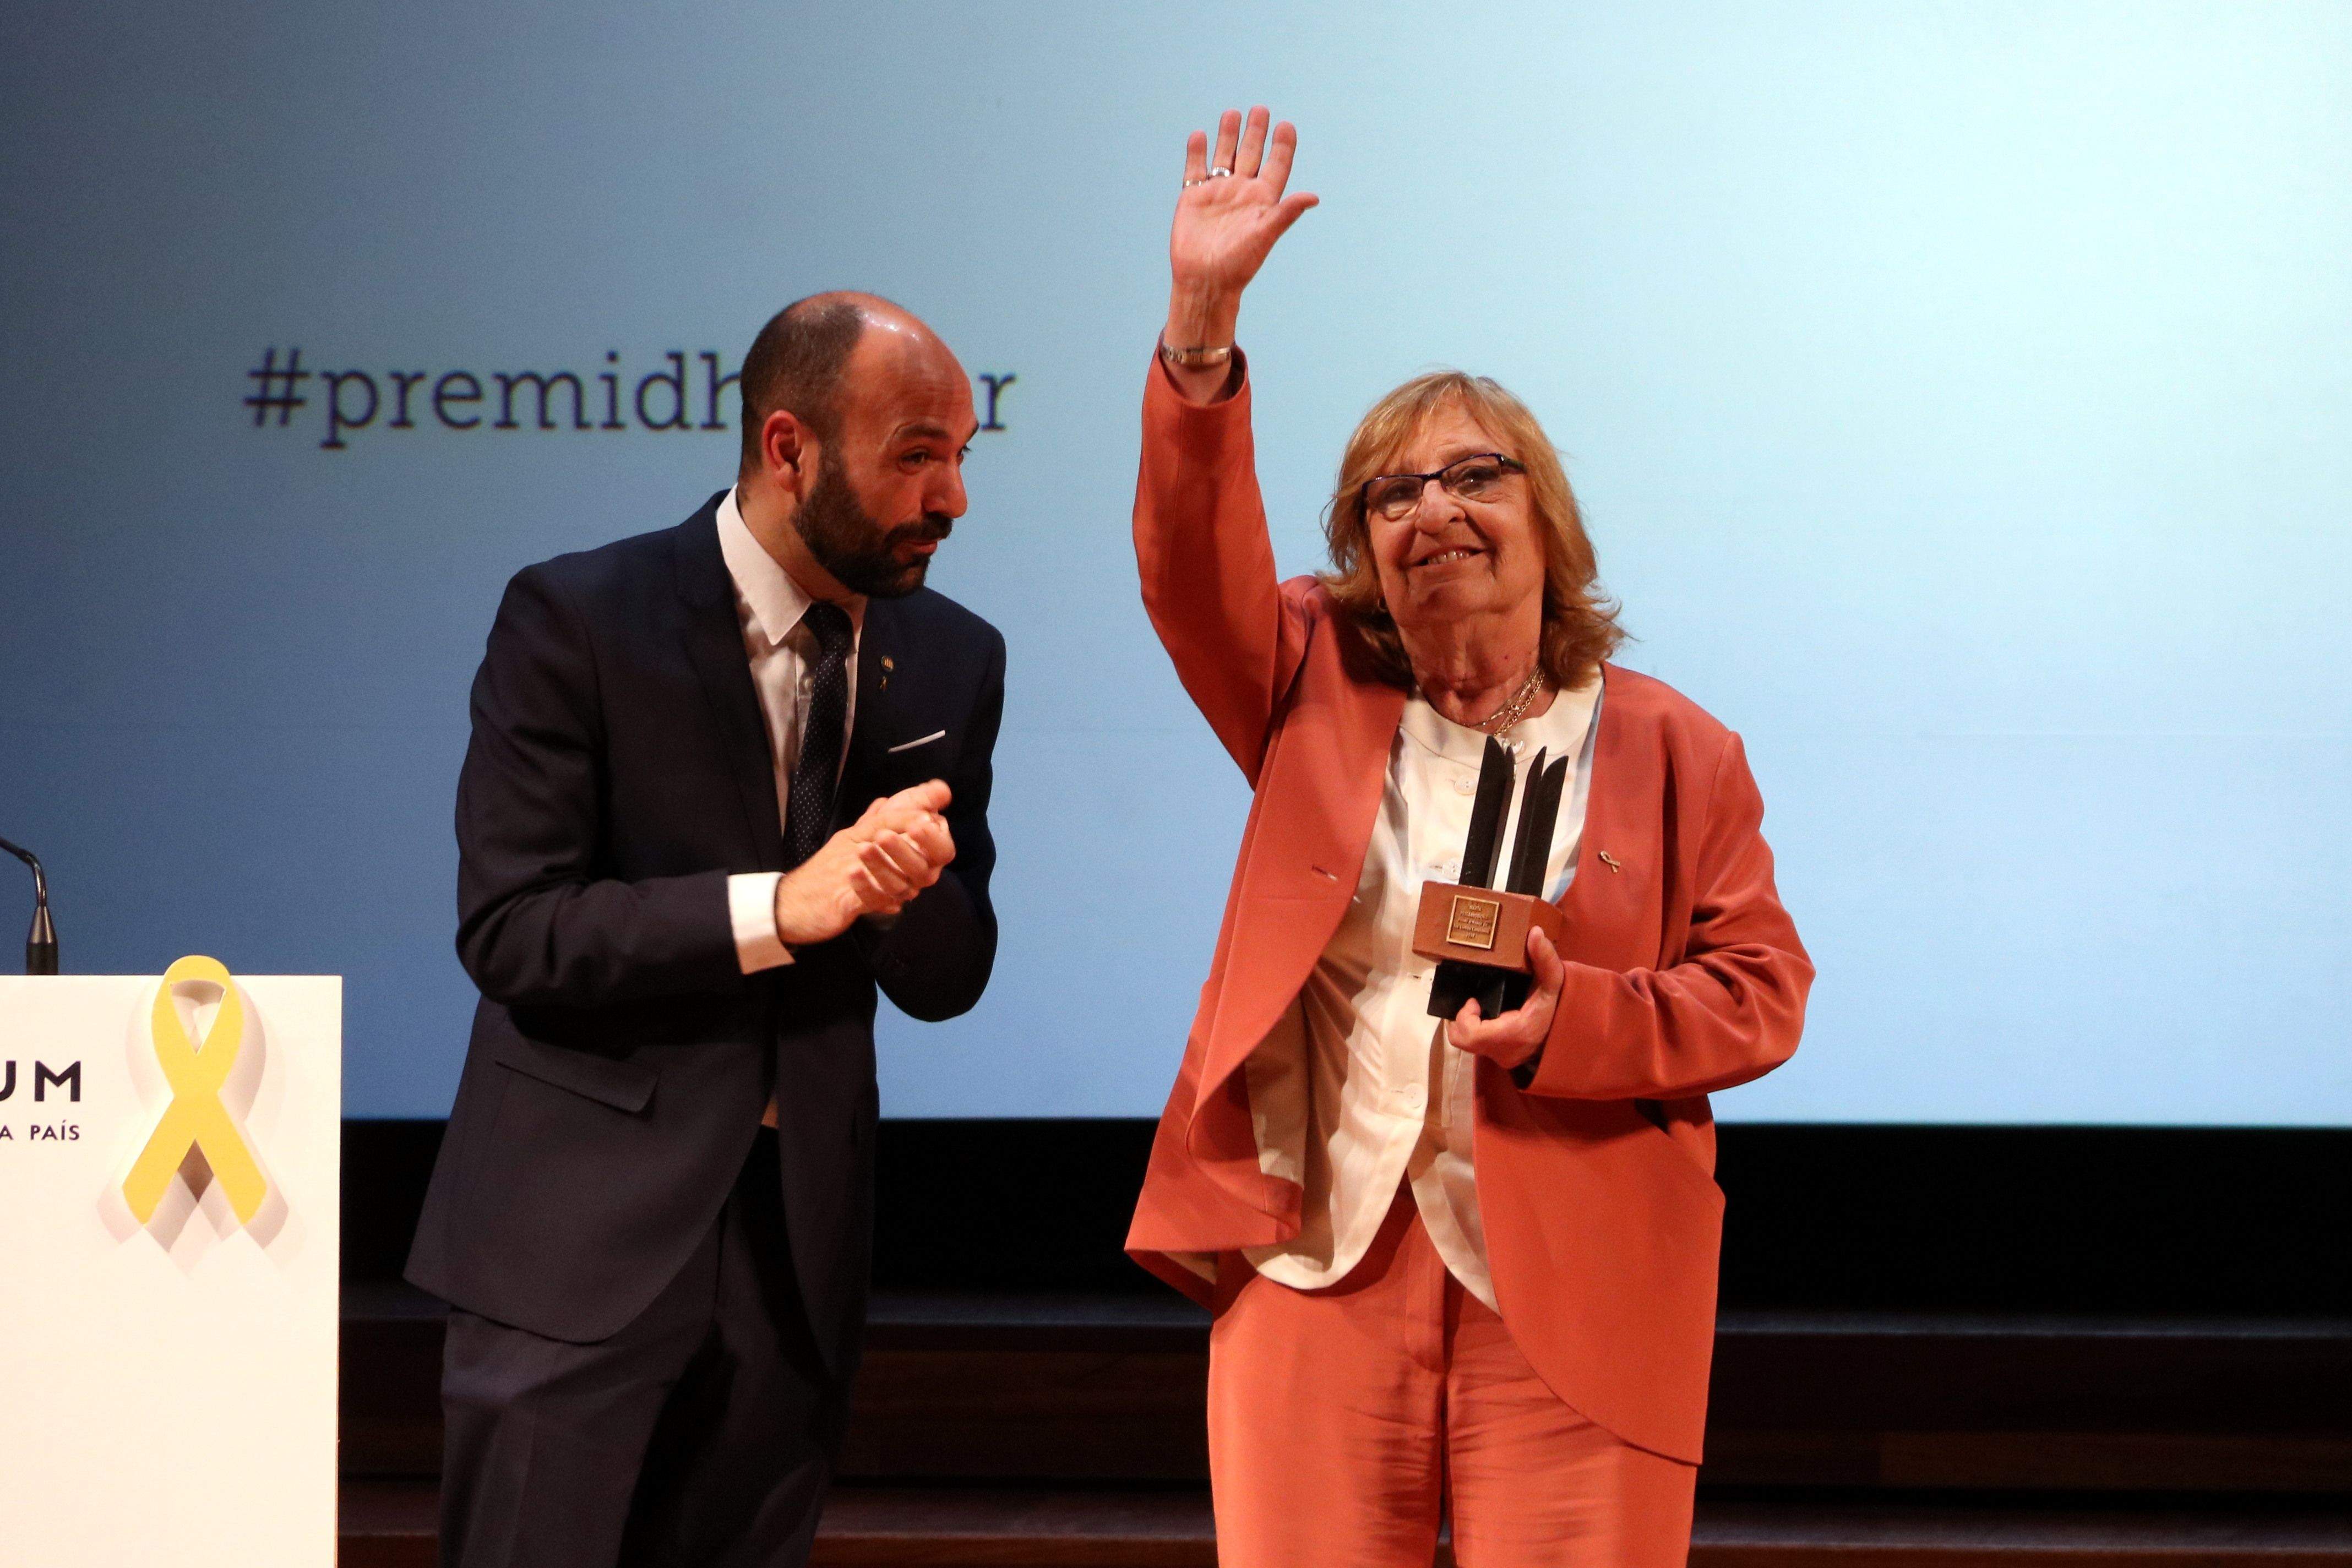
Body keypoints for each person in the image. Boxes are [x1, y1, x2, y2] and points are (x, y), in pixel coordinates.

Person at [1124, 110, 1814, 1566]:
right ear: (1364, 545)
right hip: (1321, 1257)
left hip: (1573, 1286)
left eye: (1473, 476)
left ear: (1546, 519)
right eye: (1392, 492)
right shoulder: (1309, 674)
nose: (1432, 507)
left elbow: (1763, 992)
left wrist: (1580, 1015)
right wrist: (1202, 328)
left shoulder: (1678, 746)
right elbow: (1191, 570)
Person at [406, 292, 1006, 1567]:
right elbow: (516, 930)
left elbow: (953, 974)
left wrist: (906, 897)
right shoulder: (579, 616)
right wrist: (780, 906)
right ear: (788, 447)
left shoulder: (954, 656)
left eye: (963, 453)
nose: (952, 497)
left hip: (795, 1259)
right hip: (573, 1245)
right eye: (915, 452)